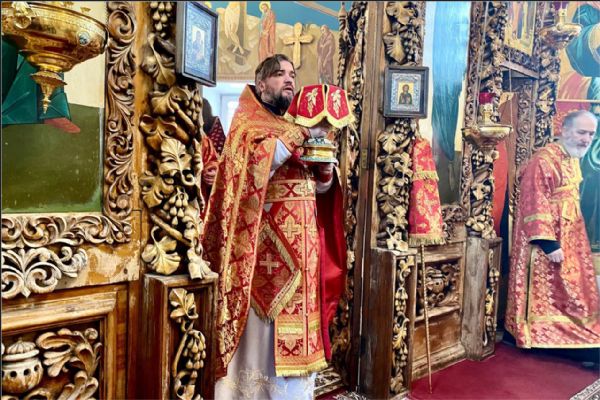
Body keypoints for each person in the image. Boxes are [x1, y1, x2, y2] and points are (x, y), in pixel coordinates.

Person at [202, 54, 347, 399]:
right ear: (262, 82)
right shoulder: (247, 123)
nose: (289, 80)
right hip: (261, 255)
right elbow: (254, 168)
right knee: (260, 341)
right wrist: (302, 134)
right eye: (280, 74)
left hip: (302, 257)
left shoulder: (293, 125)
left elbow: (317, 188)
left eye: (292, 74)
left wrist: (325, 173)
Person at [505, 110, 600, 351]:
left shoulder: (572, 158)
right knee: (548, 290)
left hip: (570, 237)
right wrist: (549, 243)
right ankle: (542, 336)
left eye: (591, 134)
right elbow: (534, 200)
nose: (586, 139)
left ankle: (578, 332)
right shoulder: (544, 160)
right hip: (545, 243)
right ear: (564, 130)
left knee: (575, 289)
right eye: (581, 132)